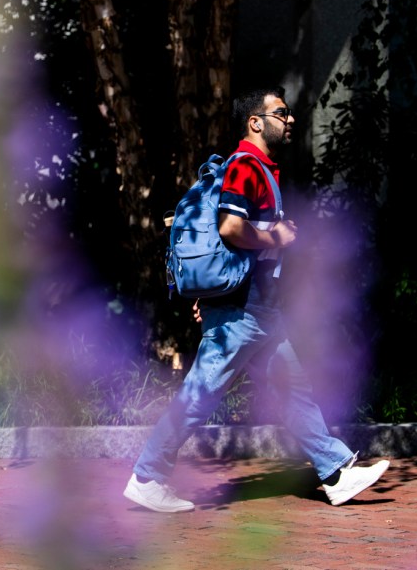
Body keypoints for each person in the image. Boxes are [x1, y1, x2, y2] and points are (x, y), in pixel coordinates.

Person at [123, 86, 389, 512]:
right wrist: (275, 237)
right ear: (256, 121)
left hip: (255, 308)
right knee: (199, 394)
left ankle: (336, 472)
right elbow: (230, 228)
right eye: (281, 113)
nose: (290, 120)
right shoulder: (246, 166)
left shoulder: (260, 167)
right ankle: (147, 477)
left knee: (293, 391)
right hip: (242, 311)